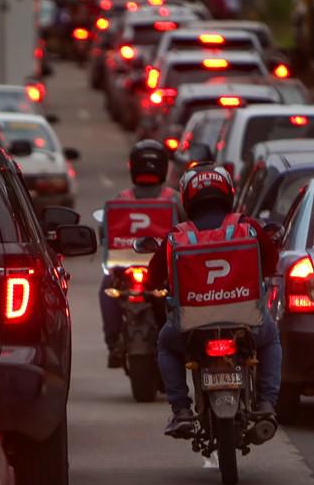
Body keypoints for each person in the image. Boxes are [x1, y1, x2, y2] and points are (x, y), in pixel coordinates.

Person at [146, 166, 282, 438]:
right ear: (228, 194)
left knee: (165, 343)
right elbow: (270, 264)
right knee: (271, 340)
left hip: (190, 329)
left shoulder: (177, 235)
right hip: (248, 323)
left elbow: (153, 277)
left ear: (188, 199)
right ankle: (266, 402)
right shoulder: (248, 227)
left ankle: (181, 410)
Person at [99, 140, 181, 367]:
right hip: (163, 269)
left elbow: (103, 231)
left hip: (125, 268)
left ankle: (113, 342)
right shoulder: (174, 199)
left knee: (106, 290)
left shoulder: (121, 198)